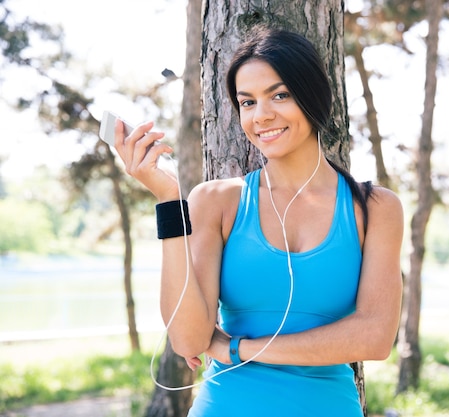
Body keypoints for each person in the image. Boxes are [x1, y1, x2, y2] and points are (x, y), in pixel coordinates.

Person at [113, 27, 404, 417]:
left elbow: (375, 337)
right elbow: (189, 337)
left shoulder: (375, 209)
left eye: (279, 95)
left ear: (313, 96)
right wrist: (168, 200)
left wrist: (238, 349)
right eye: (247, 102)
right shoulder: (216, 201)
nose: (261, 115)